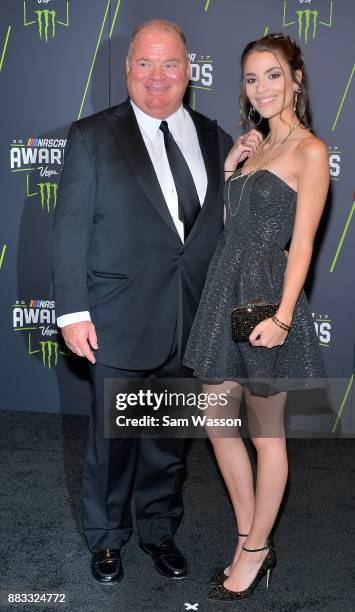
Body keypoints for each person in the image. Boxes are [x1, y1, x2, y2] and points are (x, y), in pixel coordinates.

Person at [52, 18, 250, 585]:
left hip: (192, 317)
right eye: (145, 63)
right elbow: (70, 230)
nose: (157, 77)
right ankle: (107, 539)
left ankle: (159, 532)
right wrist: (72, 311)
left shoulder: (215, 138)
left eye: (169, 64)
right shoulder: (93, 135)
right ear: (127, 70)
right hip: (117, 316)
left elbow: (216, 229)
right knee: (112, 442)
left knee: (169, 442)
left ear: (190, 72)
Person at [183, 33, 329, 601]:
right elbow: (235, 227)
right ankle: (253, 537)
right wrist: (229, 168)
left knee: (267, 436)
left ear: (295, 79)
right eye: (250, 78)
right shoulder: (255, 145)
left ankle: (251, 552)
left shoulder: (310, 150)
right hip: (225, 291)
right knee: (219, 424)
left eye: (272, 75)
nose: (262, 87)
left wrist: (286, 317)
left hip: (266, 300)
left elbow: (305, 245)